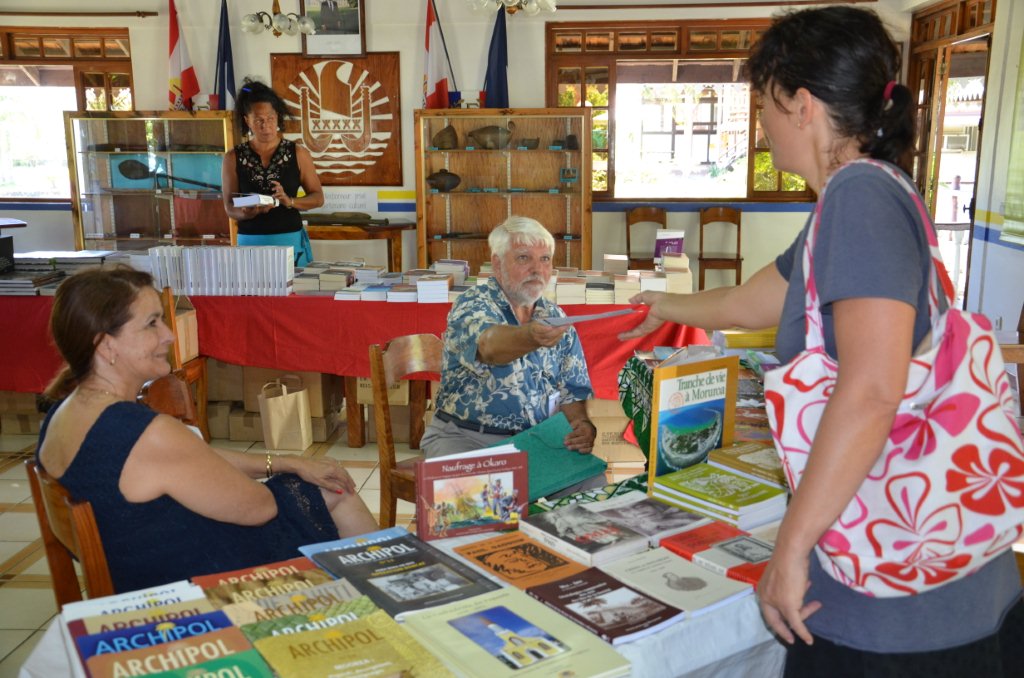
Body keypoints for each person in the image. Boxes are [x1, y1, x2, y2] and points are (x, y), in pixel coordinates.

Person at [619, 7, 1023, 676]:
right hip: (914, 584)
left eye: (764, 103)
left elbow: (869, 389)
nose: (761, 124)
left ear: (800, 104)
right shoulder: (864, 192)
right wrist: (662, 304)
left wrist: (791, 546)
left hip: (904, 621)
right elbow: (760, 296)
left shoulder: (857, 201)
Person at [36, 267, 377, 593]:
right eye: (152, 324)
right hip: (194, 583)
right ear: (106, 345)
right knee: (335, 488)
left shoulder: (63, 414)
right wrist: (286, 473)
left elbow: (192, 458)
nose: (169, 334)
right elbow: (260, 507)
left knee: (309, 482)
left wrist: (287, 462)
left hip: (146, 565)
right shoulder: (145, 434)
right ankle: (389, 593)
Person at [419, 216, 601, 495]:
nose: (537, 269)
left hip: (535, 440)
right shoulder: (472, 304)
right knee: (478, 508)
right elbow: (489, 347)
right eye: (523, 258)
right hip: (467, 437)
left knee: (592, 490)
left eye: (545, 259)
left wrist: (581, 425)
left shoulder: (555, 315)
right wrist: (531, 336)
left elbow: (572, 391)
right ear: (497, 263)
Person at [221, 78, 324, 267]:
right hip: (250, 243)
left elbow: (318, 198)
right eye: (258, 120)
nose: (266, 125)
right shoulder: (233, 157)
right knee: (252, 296)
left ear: (278, 117)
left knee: (291, 295)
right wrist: (249, 212)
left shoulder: (298, 153)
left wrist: (290, 201)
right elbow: (229, 206)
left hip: (289, 241)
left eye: (270, 118)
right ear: (247, 121)